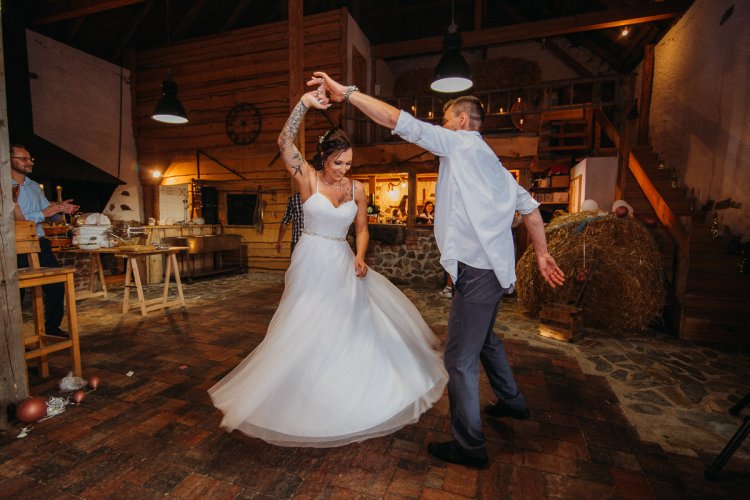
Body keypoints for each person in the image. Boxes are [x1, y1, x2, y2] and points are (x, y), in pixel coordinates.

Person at [311, 72, 564, 468]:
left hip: (479, 274)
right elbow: (530, 209)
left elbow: (398, 122)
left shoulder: (460, 144)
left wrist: (350, 94)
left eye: (445, 119)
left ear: (462, 122)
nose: (441, 126)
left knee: (459, 360)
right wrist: (542, 252)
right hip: (492, 273)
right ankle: (513, 402)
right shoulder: (494, 165)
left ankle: (470, 446)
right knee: (486, 341)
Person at [208, 88, 448, 447]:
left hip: (341, 257)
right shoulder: (307, 178)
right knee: (306, 321)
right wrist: (304, 105)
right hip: (311, 257)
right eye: (338, 163)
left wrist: (360, 255)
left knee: (348, 323)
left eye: (349, 164)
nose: (343, 170)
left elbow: (362, 229)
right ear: (323, 159)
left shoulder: (358, 189)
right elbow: (283, 139)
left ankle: (347, 384)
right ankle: (303, 387)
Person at [10, 144, 79, 336]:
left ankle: (50, 327)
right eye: (23, 159)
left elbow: (48, 215)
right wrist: (43, 213)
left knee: (56, 285)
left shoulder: (33, 186)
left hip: (40, 243)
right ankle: (14, 338)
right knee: (17, 293)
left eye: (30, 158)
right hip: (16, 246)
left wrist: (60, 209)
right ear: (9, 161)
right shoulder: (4, 186)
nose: (29, 162)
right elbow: (11, 219)